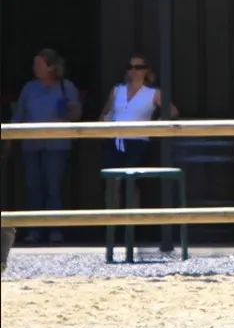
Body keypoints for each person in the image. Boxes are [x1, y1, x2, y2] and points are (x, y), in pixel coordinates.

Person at [9, 49, 82, 243]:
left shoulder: (66, 87)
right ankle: (34, 230)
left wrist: (70, 109)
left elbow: (76, 116)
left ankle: (55, 230)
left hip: (56, 146)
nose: (35, 67)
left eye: (39, 64)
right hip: (31, 145)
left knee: (53, 187)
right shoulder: (29, 88)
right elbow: (19, 116)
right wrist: (8, 138)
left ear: (50, 66)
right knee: (33, 187)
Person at [99, 53, 178, 171]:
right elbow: (105, 113)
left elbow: (173, 111)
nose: (134, 71)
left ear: (146, 70)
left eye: (138, 67)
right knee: (111, 181)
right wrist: (105, 122)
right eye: (130, 67)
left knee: (131, 181)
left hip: (137, 141)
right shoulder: (117, 90)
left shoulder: (153, 93)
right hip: (114, 139)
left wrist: (159, 122)